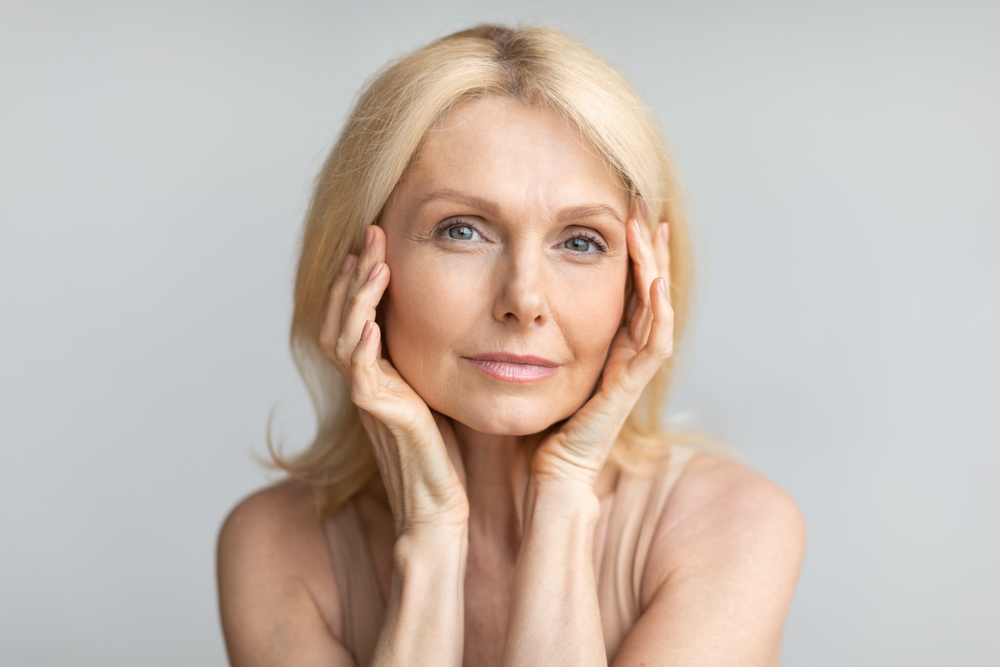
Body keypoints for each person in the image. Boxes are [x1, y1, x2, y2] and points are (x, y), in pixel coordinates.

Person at [216, 24, 806, 667]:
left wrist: (564, 497)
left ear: (642, 282)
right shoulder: (275, 547)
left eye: (580, 240)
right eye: (462, 231)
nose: (524, 299)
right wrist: (431, 537)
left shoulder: (736, 528)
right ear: (359, 264)